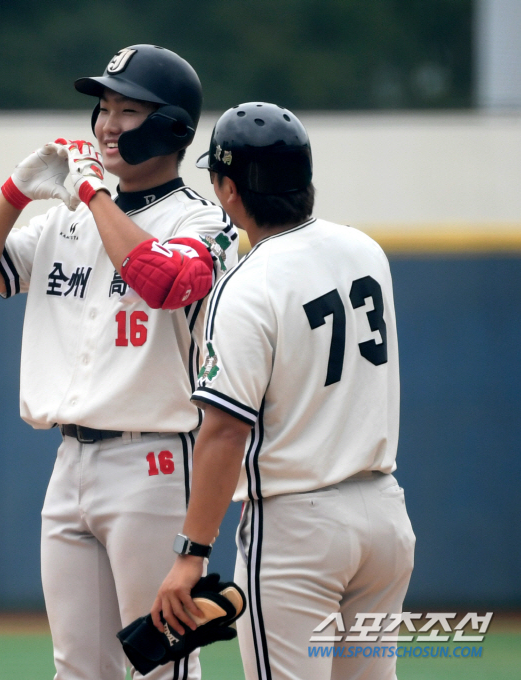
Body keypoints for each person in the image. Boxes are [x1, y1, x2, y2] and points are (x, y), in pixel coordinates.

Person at [0, 45, 238, 680]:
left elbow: (164, 282)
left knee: (158, 668)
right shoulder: (67, 222)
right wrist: (15, 192)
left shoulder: (201, 219)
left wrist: (89, 193)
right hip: (71, 461)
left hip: (154, 462)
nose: (107, 124)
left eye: (128, 110)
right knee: (78, 668)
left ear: (171, 127)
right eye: (103, 108)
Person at [152, 102, 415, 680]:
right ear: (305, 179)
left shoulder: (247, 285)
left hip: (299, 528)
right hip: (384, 517)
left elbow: (223, 430)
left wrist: (190, 555)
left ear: (226, 190)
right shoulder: (365, 249)